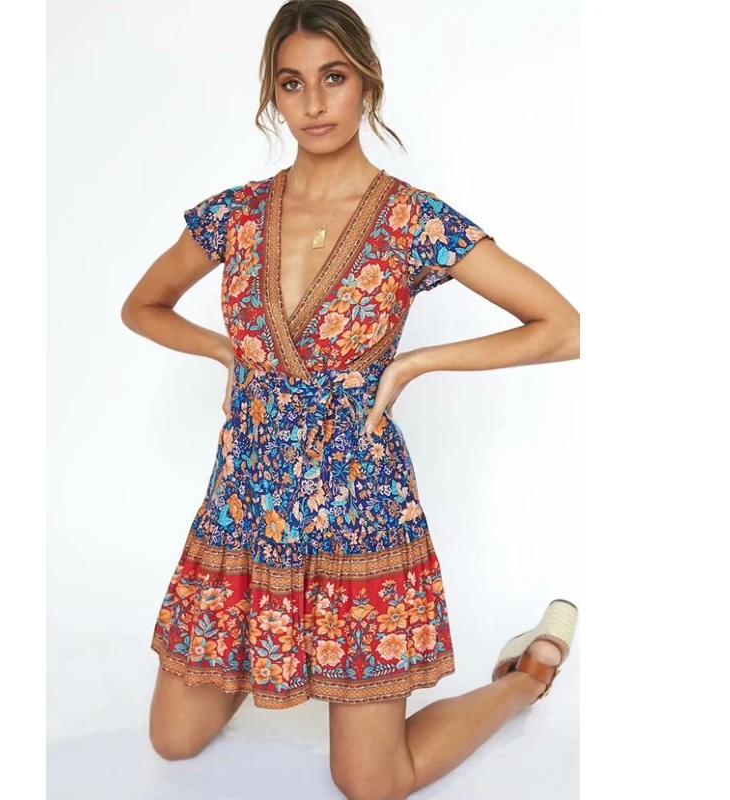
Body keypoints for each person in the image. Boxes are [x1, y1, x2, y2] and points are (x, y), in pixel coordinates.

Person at [120, 1, 580, 797]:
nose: (314, 102)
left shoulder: (410, 219)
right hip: (247, 504)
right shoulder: (236, 214)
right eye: (291, 83)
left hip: (359, 507)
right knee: (173, 741)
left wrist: (417, 363)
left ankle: (527, 675)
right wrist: (225, 350)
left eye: (333, 78)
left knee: (370, 782)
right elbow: (142, 306)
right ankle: (276, 646)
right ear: (272, 95)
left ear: (367, 83)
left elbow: (563, 327)